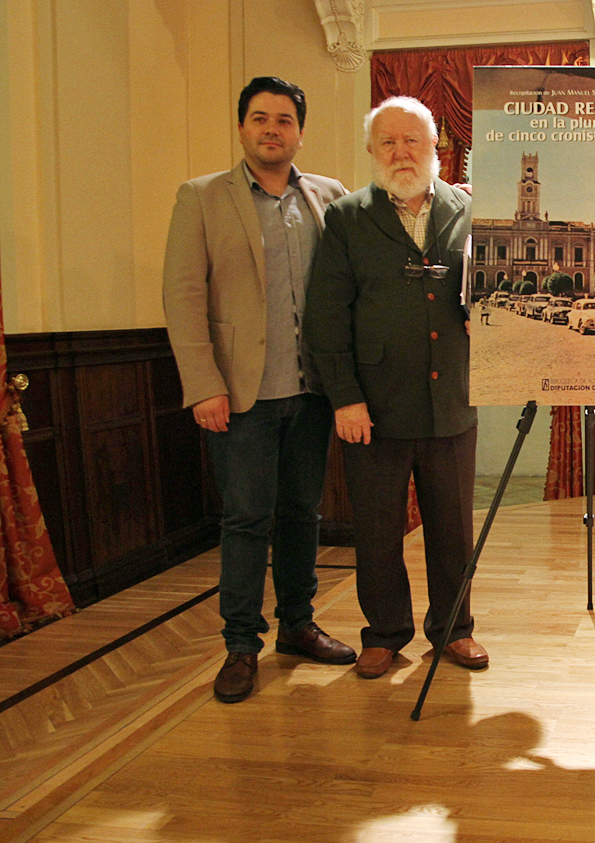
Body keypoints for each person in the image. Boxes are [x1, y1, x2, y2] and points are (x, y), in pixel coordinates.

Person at [162, 76, 355, 704]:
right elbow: (185, 299)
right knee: (246, 520)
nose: (271, 129)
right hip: (239, 397)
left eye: (283, 120)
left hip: (311, 393)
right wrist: (202, 386)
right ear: (242, 126)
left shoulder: (331, 197)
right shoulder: (201, 197)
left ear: (300, 131)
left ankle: (297, 625)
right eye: (259, 118)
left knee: (303, 515)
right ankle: (241, 644)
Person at [303, 96, 485, 680]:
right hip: (373, 409)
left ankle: (454, 629)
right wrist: (345, 398)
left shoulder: (470, 211)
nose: (401, 152)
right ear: (372, 151)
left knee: (453, 527)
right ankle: (383, 634)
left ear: (438, 147)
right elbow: (327, 317)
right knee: (378, 530)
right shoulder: (348, 218)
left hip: (452, 400)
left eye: (413, 140)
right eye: (388, 142)